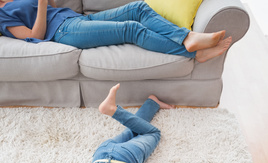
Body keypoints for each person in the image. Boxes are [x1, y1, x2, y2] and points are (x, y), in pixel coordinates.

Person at [0, 0, 232, 63]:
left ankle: (187, 37)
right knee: (132, 29)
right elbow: (35, 35)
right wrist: (41, 3)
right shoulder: (1, 15)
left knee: (138, 8)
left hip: (75, 18)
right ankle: (193, 53)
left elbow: (49, 7)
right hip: (63, 31)